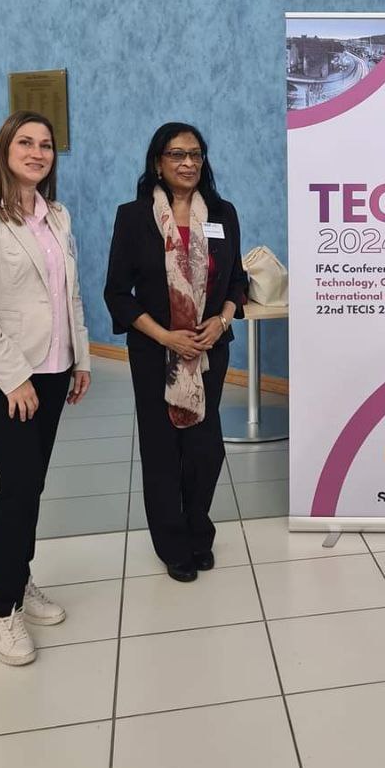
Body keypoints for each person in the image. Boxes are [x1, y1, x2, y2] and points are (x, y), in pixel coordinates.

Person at [0, 113, 91, 666]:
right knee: (18, 486)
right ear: (4, 149)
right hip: (0, 375)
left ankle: (20, 578)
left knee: (32, 482)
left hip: (52, 369)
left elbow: (68, 294)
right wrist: (14, 378)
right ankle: (3, 609)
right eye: (25, 142)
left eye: (46, 145)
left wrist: (80, 358)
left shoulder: (55, 214)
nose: (37, 152)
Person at [104, 123, 247, 582]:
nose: (188, 163)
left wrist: (222, 320)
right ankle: (172, 543)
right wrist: (167, 337)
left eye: (196, 154)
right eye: (177, 154)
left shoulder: (222, 213)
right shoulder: (133, 217)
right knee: (163, 450)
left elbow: (237, 281)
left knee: (205, 451)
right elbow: (117, 294)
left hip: (208, 351)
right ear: (157, 163)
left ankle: (198, 531)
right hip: (155, 354)